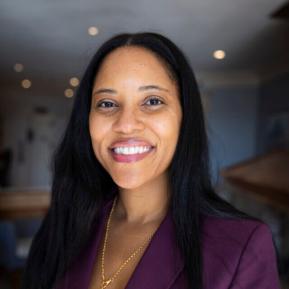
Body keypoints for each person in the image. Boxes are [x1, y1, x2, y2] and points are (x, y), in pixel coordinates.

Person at [21, 32, 281, 289]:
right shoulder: (65, 223)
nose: (126, 124)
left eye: (152, 101)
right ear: (87, 120)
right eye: (107, 103)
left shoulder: (242, 247)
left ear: (184, 117)